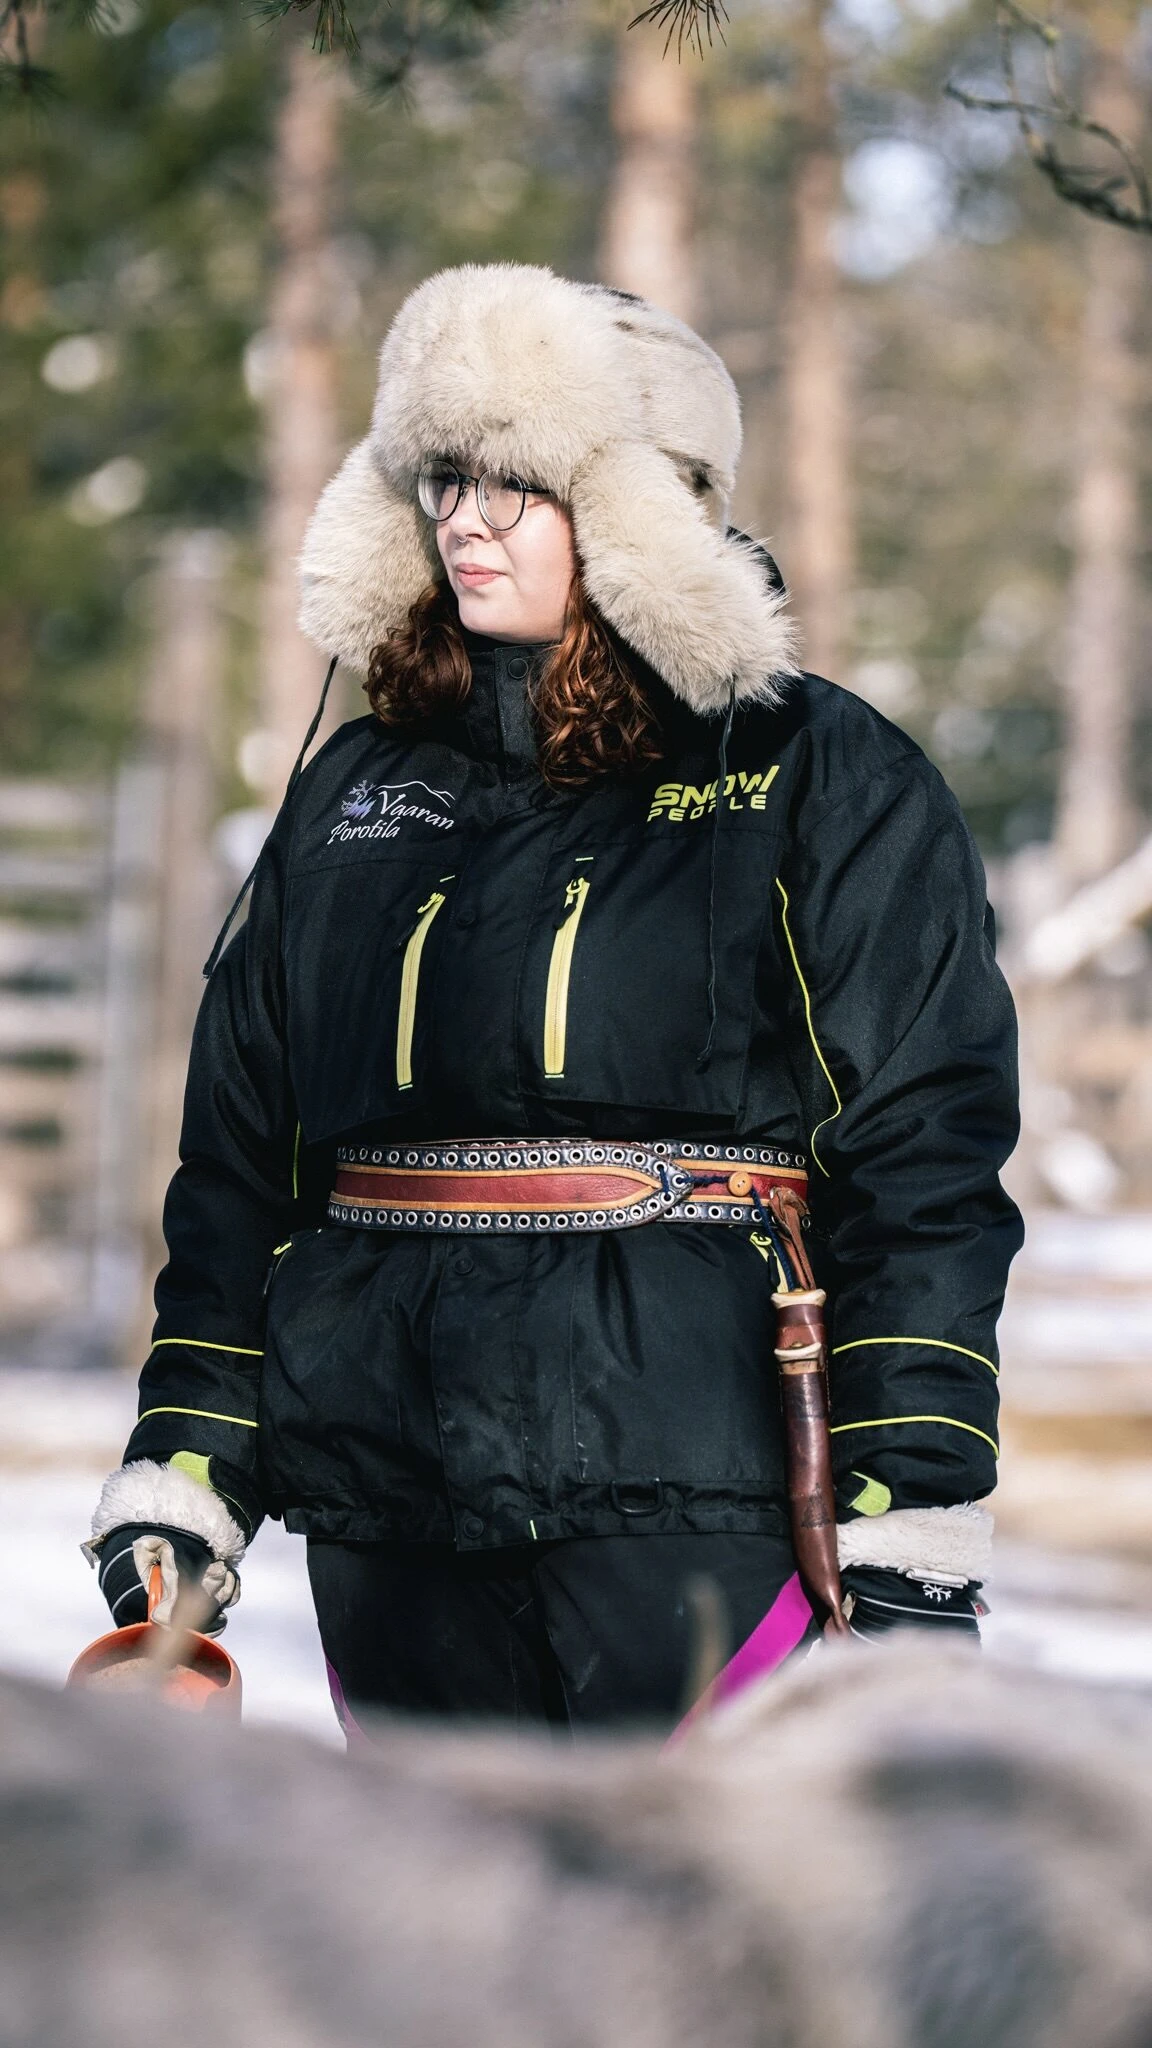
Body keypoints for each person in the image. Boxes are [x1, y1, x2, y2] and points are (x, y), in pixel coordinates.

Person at [86, 264, 1022, 1730]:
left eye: (515, 482)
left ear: (645, 504)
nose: (464, 519)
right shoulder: (353, 790)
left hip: (702, 1487)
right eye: (443, 478)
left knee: (692, 1888)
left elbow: (925, 1153)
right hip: (388, 1504)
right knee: (441, 1886)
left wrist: (912, 1492)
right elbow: (241, 1167)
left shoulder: (821, 775)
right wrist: (190, 1460)